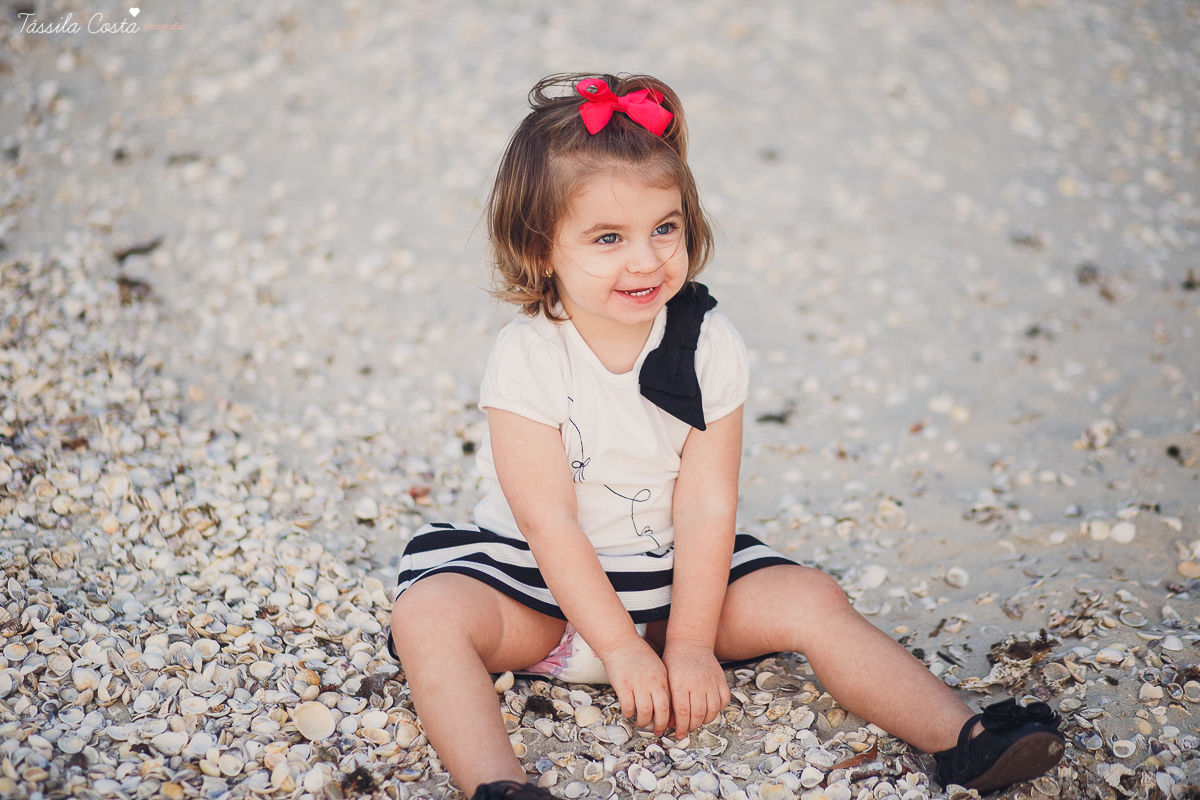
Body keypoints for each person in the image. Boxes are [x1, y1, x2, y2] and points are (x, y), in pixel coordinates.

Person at [388, 73, 1065, 800]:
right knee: (429, 615)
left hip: (680, 586)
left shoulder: (709, 342)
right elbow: (545, 520)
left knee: (811, 598)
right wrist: (616, 649)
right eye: (608, 238)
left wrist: (686, 642)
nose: (646, 259)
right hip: (543, 599)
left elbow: (708, 503)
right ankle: (497, 785)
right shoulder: (527, 356)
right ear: (539, 248)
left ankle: (964, 740)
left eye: (665, 228)